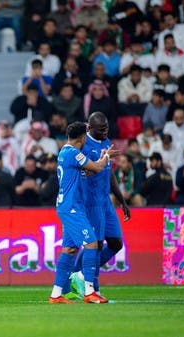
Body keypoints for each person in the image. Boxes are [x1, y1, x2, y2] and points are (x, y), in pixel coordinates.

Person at [68, 112, 129, 301]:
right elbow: (83, 173)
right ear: (89, 128)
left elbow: (109, 172)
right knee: (96, 244)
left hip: (106, 202)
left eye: (106, 129)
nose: (104, 133)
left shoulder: (106, 142)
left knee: (116, 243)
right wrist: (100, 163)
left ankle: (78, 274)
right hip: (91, 201)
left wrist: (121, 199)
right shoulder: (83, 145)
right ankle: (91, 286)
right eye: (101, 130)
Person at [48, 121, 110, 304]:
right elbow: (97, 168)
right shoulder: (73, 153)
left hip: (69, 206)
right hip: (72, 208)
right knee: (91, 243)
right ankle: (90, 292)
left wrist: (101, 161)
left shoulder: (65, 153)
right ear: (82, 137)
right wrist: (106, 157)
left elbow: (87, 172)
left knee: (70, 248)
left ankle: (56, 294)